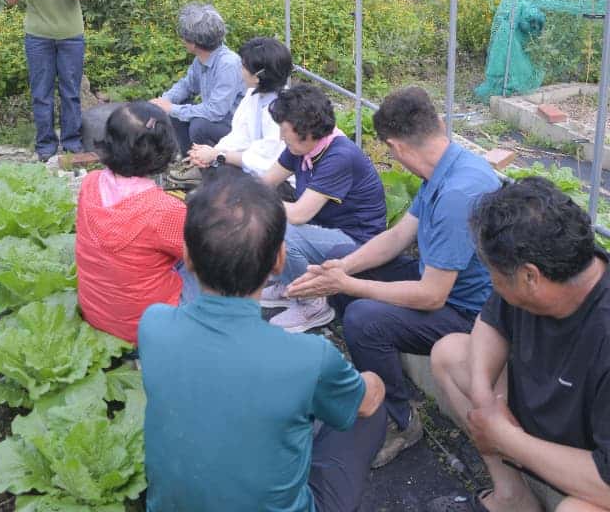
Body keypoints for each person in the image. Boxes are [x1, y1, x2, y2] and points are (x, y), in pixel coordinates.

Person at [139, 171, 387, 512]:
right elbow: (367, 402)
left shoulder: (153, 325)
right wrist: (373, 383)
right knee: (370, 407)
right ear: (279, 261)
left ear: (188, 256)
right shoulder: (309, 358)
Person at [288, 86, 499, 467]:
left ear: (395, 148)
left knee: (364, 319)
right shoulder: (445, 167)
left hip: (470, 314)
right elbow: (398, 236)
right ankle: (375, 375)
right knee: (342, 254)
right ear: (439, 123)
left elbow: (433, 296)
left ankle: (401, 420)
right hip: (440, 285)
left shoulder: (458, 194)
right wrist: (344, 268)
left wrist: (348, 285)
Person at [430, 177, 610, 512]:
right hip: (536, 421)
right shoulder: (554, 270)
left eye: (493, 274)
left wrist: (507, 439)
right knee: (450, 353)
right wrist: (484, 396)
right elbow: (489, 323)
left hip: (589, 465)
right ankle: (512, 498)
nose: (492, 284)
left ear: (530, 277)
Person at [260, 82, 387, 334]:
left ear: (307, 132)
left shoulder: (339, 156)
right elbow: (265, 182)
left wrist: (252, 201)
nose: (281, 138)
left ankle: (312, 302)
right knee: (266, 215)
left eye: (285, 133)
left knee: (282, 228)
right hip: (325, 230)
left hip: (356, 242)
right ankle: (290, 284)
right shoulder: (301, 148)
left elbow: (299, 214)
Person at [74, 102, 197, 345]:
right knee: (216, 271)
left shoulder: (90, 183)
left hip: (97, 316)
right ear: (164, 152)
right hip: (147, 329)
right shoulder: (164, 209)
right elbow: (202, 258)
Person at [5, 0, 91, 161]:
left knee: (70, 92)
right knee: (41, 93)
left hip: (71, 37)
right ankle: (45, 146)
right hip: (38, 38)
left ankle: (72, 143)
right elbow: (9, 0)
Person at [187, 36, 292, 177]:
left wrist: (217, 155)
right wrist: (210, 153)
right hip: (254, 161)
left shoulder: (280, 112)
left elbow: (265, 162)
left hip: (278, 179)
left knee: (222, 172)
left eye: (243, 67)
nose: (239, 71)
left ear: (257, 77)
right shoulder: (254, 95)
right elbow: (239, 135)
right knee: (214, 162)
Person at [150, 3, 244, 156]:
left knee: (199, 125)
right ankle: (191, 161)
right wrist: (162, 103)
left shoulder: (228, 64)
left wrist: (171, 108)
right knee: (177, 109)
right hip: (220, 118)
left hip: (237, 125)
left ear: (193, 43)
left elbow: (215, 111)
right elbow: (187, 85)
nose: (182, 40)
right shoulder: (201, 59)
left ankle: (209, 168)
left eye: (184, 37)